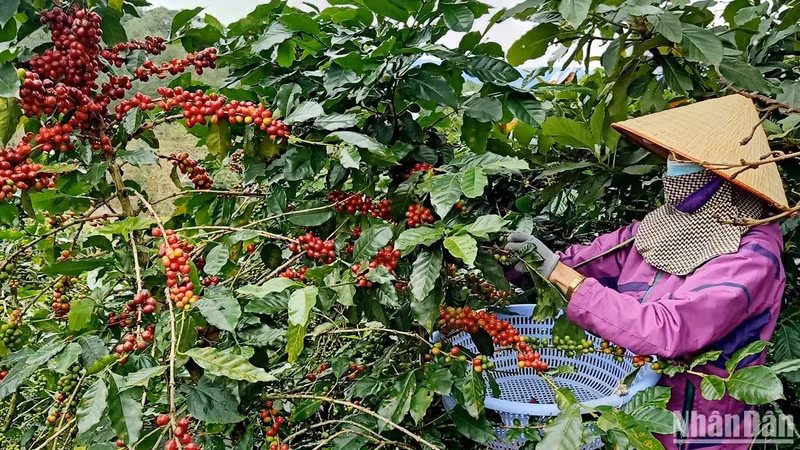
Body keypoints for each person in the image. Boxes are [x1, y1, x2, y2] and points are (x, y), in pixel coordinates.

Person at [506, 95, 788, 450]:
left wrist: (563, 276)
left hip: (703, 429)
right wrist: (518, 266)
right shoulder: (667, 223)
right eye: (672, 155)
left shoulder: (752, 257)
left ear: (723, 171)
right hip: (637, 409)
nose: (673, 166)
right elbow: (594, 258)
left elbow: (669, 329)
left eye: (685, 158)